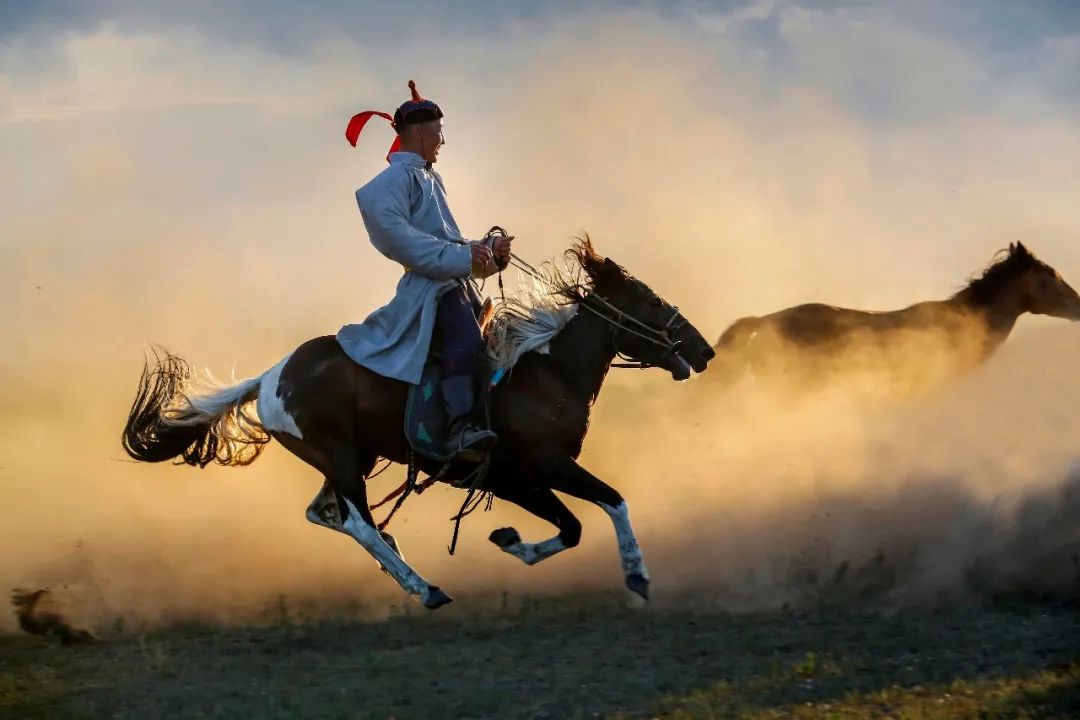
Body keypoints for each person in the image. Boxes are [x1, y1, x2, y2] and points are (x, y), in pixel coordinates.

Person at [337, 80, 513, 461]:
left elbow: (447, 242)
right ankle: (459, 431)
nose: (443, 142)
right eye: (439, 132)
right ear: (418, 132)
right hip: (430, 291)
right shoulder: (386, 185)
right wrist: (468, 256)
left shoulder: (429, 178)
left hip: (455, 286)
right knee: (465, 342)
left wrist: (487, 251)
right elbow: (404, 243)